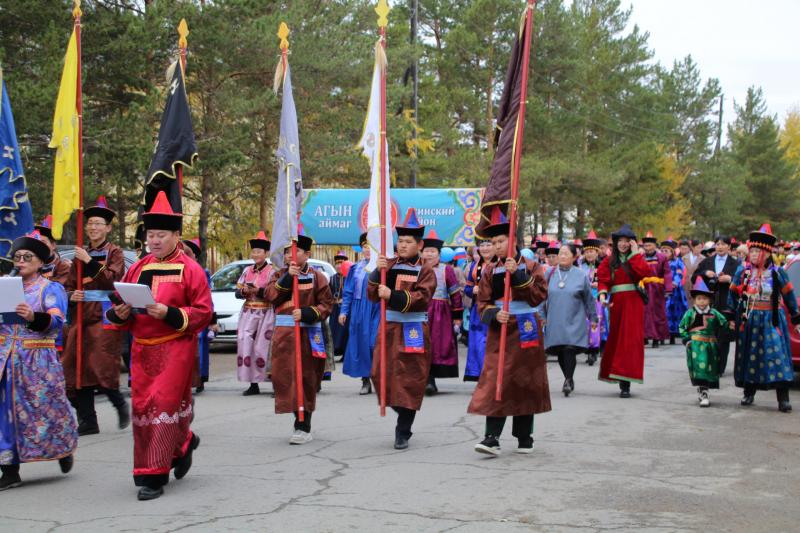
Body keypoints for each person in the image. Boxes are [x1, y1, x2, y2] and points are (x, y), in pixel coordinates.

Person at [106, 191, 213, 500]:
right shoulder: (137, 267)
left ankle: (154, 475)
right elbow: (119, 305)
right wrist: (121, 313)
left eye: (161, 235)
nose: (154, 241)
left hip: (175, 346)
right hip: (141, 348)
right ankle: (184, 443)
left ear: (176, 235)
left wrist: (169, 313)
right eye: (151, 235)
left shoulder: (191, 270)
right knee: (142, 407)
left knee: (162, 406)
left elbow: (203, 312)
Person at [468, 207, 550, 456]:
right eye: (493, 243)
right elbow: (482, 303)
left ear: (513, 240)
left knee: (525, 381)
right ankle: (491, 437)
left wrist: (518, 275)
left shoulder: (533, 267)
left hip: (526, 327)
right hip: (501, 330)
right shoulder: (490, 270)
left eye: (501, 241)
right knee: (496, 380)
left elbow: (538, 296)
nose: (497, 246)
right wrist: (494, 313)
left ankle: (525, 436)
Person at [0, 232, 77, 491]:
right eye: (17, 257)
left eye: (26, 257)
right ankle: (9, 468)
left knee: (46, 410)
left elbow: (56, 322)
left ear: (40, 262)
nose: (20, 262)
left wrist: (34, 316)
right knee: (4, 414)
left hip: (36, 360)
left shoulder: (49, 288)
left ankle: (62, 449)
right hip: (4, 359)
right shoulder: (4, 286)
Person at [368, 208, 436, 450]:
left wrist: (393, 295)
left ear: (420, 244)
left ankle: (403, 429)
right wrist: (377, 271)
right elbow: (372, 295)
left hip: (413, 329)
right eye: (401, 241)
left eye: (408, 241)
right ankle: (401, 406)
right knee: (379, 372)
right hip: (388, 328)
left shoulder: (425, 270)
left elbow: (422, 297)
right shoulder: (389, 264)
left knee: (411, 379)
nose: (403, 245)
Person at [61, 196, 128, 435]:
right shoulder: (78, 255)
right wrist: (72, 296)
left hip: (104, 314)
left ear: (108, 228)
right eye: (90, 223)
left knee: (101, 363)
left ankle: (118, 402)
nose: (93, 227)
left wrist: (89, 261)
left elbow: (111, 280)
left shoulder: (115, 252)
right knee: (74, 364)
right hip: (81, 315)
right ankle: (88, 420)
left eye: (99, 223)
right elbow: (67, 286)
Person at [264, 234, 333, 444]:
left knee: (307, 378)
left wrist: (307, 313)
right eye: (286, 251)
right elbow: (270, 296)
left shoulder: (317, 277)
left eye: (295, 251)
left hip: (308, 334)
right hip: (284, 336)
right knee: (286, 377)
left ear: (307, 254)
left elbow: (326, 304)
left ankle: (303, 425)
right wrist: (287, 278)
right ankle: (297, 418)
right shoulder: (278, 276)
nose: (289, 255)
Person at [729, 224, 799, 413]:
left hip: (771, 320)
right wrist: (732, 314)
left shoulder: (777, 273)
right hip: (749, 319)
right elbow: (733, 294)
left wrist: (796, 317)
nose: (752, 255)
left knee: (777, 356)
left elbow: (789, 295)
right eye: (751, 251)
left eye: (757, 251)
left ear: (767, 253)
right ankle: (749, 392)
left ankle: (782, 398)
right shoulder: (743, 272)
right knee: (750, 356)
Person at [597, 224, 651, 398]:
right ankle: (619, 377)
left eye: (627, 241)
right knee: (617, 340)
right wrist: (603, 295)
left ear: (632, 243)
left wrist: (635, 254)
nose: (623, 244)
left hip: (634, 303)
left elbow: (644, 273)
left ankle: (626, 383)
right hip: (617, 304)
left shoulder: (637, 258)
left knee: (631, 341)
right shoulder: (609, 260)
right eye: (620, 241)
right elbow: (603, 279)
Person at [543, 243, 597, 396]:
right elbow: (542, 297)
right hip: (555, 318)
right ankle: (568, 377)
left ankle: (568, 379)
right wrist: (541, 315)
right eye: (560, 253)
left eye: (566, 253)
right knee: (560, 350)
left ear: (574, 257)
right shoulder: (550, 273)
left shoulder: (581, 275)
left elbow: (589, 299)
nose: (562, 256)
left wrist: (593, 317)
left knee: (569, 349)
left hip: (575, 318)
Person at [421, 230, 463, 395]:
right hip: (421, 311)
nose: (430, 254)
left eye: (433, 252)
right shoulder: (417, 269)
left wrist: (457, 318)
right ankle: (424, 379)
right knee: (420, 345)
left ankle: (431, 379)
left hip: (441, 314)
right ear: (421, 252)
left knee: (438, 346)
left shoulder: (447, 270)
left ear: (439, 254)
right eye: (427, 251)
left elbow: (455, 294)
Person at [690, 235, 739, 374]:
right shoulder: (707, 262)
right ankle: (707, 363)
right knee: (707, 334)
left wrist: (730, 279)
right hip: (707, 303)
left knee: (723, 337)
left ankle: (719, 367)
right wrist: (705, 273)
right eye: (718, 244)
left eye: (724, 244)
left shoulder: (735, 264)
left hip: (726, 304)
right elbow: (694, 277)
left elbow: (742, 282)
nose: (720, 247)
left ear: (729, 247)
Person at [679, 278, 730, 407]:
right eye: (699, 299)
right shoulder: (690, 313)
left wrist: (722, 335)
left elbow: (724, 323)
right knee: (700, 369)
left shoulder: (714, 313)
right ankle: (704, 392)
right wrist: (687, 339)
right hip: (696, 346)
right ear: (695, 300)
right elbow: (682, 327)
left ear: (709, 300)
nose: (702, 302)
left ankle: (704, 390)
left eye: (704, 299)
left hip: (711, 345)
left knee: (710, 369)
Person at [339, 233, 379, 395]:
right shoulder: (355, 268)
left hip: (376, 308)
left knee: (374, 342)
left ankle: (379, 377)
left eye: (370, 246)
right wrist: (344, 311)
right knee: (360, 344)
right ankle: (365, 380)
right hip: (358, 310)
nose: (367, 249)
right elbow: (348, 292)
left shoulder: (382, 267)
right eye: (365, 246)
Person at [236, 231, 275, 396]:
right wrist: (244, 290)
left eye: (259, 251)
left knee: (264, 348)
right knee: (247, 346)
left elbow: (274, 292)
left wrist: (258, 290)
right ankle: (253, 384)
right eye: (254, 251)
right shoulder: (247, 270)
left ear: (266, 253)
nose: (256, 254)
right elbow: (237, 293)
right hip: (248, 313)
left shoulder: (273, 271)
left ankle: (275, 384)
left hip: (265, 313)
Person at [182, 238, 216, 393]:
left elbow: (207, 297)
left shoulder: (202, 272)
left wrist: (212, 319)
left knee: (200, 345)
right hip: (182, 312)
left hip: (197, 312)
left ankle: (200, 377)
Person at [464, 239, 495, 381]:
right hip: (478, 310)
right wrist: (473, 290)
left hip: (495, 309)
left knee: (493, 343)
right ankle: (482, 377)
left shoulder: (500, 264)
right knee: (478, 344)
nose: (485, 248)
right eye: (482, 245)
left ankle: (494, 377)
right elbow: (467, 288)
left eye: (488, 245)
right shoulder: (475, 266)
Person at [578, 231, 606, 365]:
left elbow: (608, 282)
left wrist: (599, 284)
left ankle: (594, 350)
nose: (589, 254)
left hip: (596, 299)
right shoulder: (579, 267)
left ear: (597, 252)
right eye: (587, 252)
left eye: (592, 252)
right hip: (583, 300)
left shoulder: (603, 266)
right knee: (584, 324)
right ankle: (586, 348)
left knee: (595, 324)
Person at [640, 231, 673, 348]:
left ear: (655, 246)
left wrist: (668, 289)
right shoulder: (640, 257)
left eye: (649, 245)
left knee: (657, 313)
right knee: (643, 313)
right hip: (643, 288)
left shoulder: (662, 258)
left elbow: (667, 273)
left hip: (657, 289)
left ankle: (656, 337)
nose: (647, 248)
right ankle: (644, 336)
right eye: (645, 246)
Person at [661, 238, 688, 345]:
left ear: (672, 252)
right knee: (664, 312)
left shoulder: (677, 262)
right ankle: (663, 334)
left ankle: (673, 334)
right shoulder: (659, 262)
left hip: (675, 291)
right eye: (662, 251)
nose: (663, 253)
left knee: (675, 312)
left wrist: (675, 282)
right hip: (662, 289)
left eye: (666, 251)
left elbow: (680, 273)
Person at [35, 214, 72, 286]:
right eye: (37, 243)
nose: (40, 246)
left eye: (43, 242)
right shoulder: (31, 266)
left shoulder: (63, 266)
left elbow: (56, 289)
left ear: (53, 245)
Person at [329, 250, 349, 361]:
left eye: (341, 263)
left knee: (345, 332)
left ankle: (345, 354)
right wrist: (333, 301)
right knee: (333, 331)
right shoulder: (332, 279)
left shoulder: (350, 278)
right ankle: (333, 352)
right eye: (337, 263)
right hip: (335, 310)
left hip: (345, 310)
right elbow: (327, 294)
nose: (339, 266)